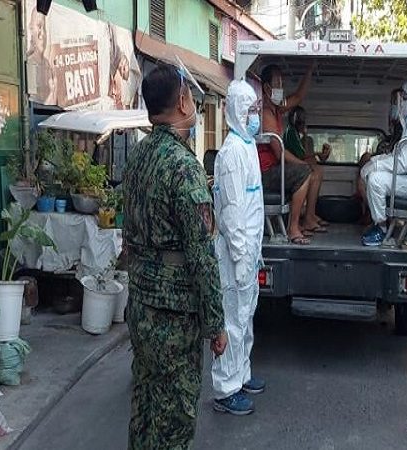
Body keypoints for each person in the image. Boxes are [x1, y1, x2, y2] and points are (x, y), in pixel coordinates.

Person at [122, 63, 227, 449]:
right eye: (192, 97)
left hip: (142, 305)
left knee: (146, 405)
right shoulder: (184, 168)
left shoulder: (138, 156)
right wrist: (215, 324)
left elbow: (128, 231)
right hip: (174, 314)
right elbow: (202, 254)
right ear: (183, 101)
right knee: (176, 417)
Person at [211, 80, 266, 415]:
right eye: (250, 110)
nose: (255, 116)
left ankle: (241, 374)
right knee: (232, 320)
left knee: (245, 319)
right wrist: (242, 256)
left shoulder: (247, 147)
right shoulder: (232, 153)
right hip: (235, 256)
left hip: (248, 251)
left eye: (256, 110)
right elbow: (231, 213)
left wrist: (254, 251)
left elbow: (252, 207)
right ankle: (225, 390)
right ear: (235, 111)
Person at [360, 79, 407, 246]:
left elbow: (403, 164)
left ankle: (381, 228)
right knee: (373, 174)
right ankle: (379, 223)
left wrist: (376, 164)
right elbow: (397, 154)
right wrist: (375, 160)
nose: (402, 103)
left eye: (405, 98)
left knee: (376, 180)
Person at [258, 63, 324, 244]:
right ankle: (293, 228)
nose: (281, 88)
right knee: (304, 172)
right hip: (265, 174)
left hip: (275, 169)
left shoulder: (277, 108)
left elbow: (298, 96)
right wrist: (303, 165)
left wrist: (309, 69)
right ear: (266, 88)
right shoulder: (265, 113)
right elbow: (280, 153)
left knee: (311, 170)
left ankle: (307, 219)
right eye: (278, 84)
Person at [356, 89, 404, 224]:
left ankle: (373, 216)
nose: (393, 105)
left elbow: (401, 157)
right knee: (365, 159)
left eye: (396, 101)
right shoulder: (396, 122)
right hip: (391, 160)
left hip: (399, 168)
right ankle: (369, 211)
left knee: (367, 178)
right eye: (392, 102)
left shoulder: (406, 124)